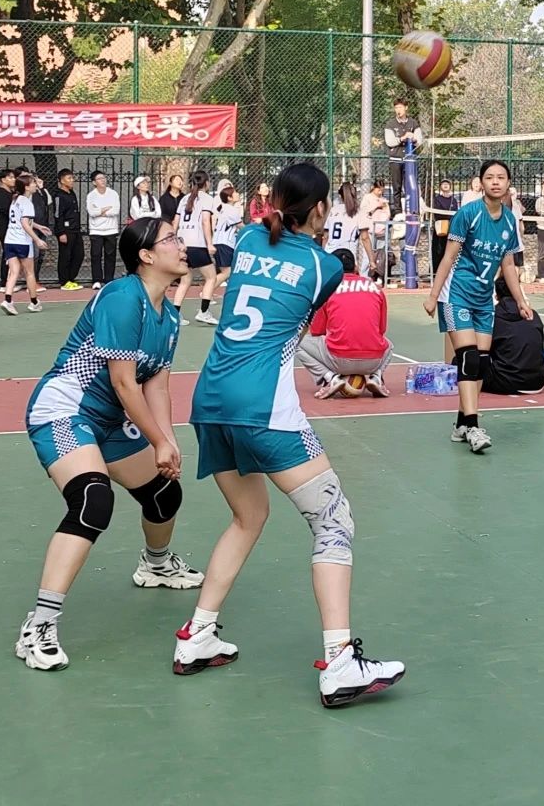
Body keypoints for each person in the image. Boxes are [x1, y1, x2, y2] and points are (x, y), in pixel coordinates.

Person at [175, 162, 404, 708]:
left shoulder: (247, 238)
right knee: (334, 520)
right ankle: (340, 661)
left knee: (248, 516)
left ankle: (197, 635)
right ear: (321, 209)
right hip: (262, 404)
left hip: (210, 399)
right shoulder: (323, 267)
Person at [17, 218, 203, 672]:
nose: (182, 246)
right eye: (172, 239)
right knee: (92, 501)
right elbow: (123, 382)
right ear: (146, 255)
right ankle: (39, 624)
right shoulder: (123, 298)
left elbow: (156, 383)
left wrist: (167, 442)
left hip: (111, 420)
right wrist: (156, 439)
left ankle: (155, 565)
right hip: (65, 410)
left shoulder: (169, 316)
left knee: (164, 493)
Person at [423, 160, 534, 454]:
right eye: (490, 177)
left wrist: (521, 301)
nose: (495, 182)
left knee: (482, 362)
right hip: (457, 294)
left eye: (501, 177)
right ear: (481, 183)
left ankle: (462, 423)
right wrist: (433, 295)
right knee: (469, 358)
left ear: (508, 183)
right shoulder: (468, 214)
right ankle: (473, 426)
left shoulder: (509, 221)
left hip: (484, 299)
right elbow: (448, 257)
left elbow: (508, 265)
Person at [298, 248, 393, 399]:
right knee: (389, 345)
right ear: (355, 267)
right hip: (373, 360)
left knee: (297, 342)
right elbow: (381, 329)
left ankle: (329, 378)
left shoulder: (327, 289)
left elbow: (317, 331)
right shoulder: (376, 288)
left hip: (339, 359)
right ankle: (376, 376)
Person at [480, 275, 544, 395]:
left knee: (464, 360)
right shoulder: (533, 314)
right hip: (538, 381)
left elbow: (482, 349)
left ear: (496, 295)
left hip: (506, 382)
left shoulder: (492, 316)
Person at [171, 170, 219, 324]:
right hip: (197, 244)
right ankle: (204, 312)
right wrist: (209, 243)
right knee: (211, 277)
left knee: (185, 280)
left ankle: (175, 315)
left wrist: (175, 241)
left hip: (183, 244)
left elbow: (175, 223)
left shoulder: (184, 198)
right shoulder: (207, 198)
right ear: (206, 183)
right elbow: (205, 221)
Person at [1, 173, 48, 316]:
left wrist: (38, 227)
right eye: (33, 183)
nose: (35, 185)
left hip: (10, 240)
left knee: (14, 272)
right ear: (26, 187)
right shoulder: (27, 203)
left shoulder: (15, 200)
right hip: (22, 242)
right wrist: (37, 239)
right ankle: (34, 302)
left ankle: (8, 300)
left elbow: (23, 220)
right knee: (29, 273)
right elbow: (25, 223)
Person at [323, 182, 378, 281]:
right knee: (349, 282)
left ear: (340, 196)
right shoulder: (358, 211)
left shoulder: (333, 210)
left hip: (330, 252)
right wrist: (371, 261)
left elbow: (325, 237)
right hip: (347, 255)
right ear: (355, 194)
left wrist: (323, 255)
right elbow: (365, 238)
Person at [383, 98, 423, 214]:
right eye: (396, 108)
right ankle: (398, 212)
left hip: (409, 160)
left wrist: (413, 138)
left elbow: (419, 140)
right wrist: (403, 138)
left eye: (400, 107)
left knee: (410, 185)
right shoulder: (390, 124)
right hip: (395, 159)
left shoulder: (413, 123)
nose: (398, 110)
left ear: (406, 108)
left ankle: (411, 210)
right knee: (397, 187)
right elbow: (390, 142)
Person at [86, 170, 119, 289]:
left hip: (111, 229)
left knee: (110, 256)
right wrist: (104, 209)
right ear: (94, 182)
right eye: (99, 179)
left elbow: (115, 210)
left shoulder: (113, 194)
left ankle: (109, 279)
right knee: (96, 255)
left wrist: (100, 211)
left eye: (104, 178)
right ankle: (97, 280)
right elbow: (91, 212)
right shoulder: (91, 195)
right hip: (96, 230)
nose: (103, 180)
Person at [54, 169, 83, 290]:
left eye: (72, 178)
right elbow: (58, 215)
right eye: (69, 178)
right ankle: (64, 281)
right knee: (65, 256)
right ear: (62, 180)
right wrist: (61, 232)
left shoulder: (72, 193)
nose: (72, 180)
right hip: (66, 231)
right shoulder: (58, 195)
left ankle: (71, 278)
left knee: (79, 254)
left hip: (75, 229)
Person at [212, 185, 243, 290]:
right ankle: (207, 291)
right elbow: (241, 226)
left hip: (219, 242)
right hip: (224, 243)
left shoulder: (223, 209)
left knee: (227, 272)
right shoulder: (231, 210)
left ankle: (208, 292)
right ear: (229, 198)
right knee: (227, 272)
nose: (237, 194)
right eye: (235, 193)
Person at [431, 178, 459, 274]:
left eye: (447, 184)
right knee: (438, 250)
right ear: (440, 187)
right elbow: (437, 213)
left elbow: (455, 212)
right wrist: (447, 215)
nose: (446, 185)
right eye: (443, 184)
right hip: (440, 227)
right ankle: (436, 271)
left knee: (449, 249)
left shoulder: (453, 200)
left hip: (451, 227)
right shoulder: (437, 199)